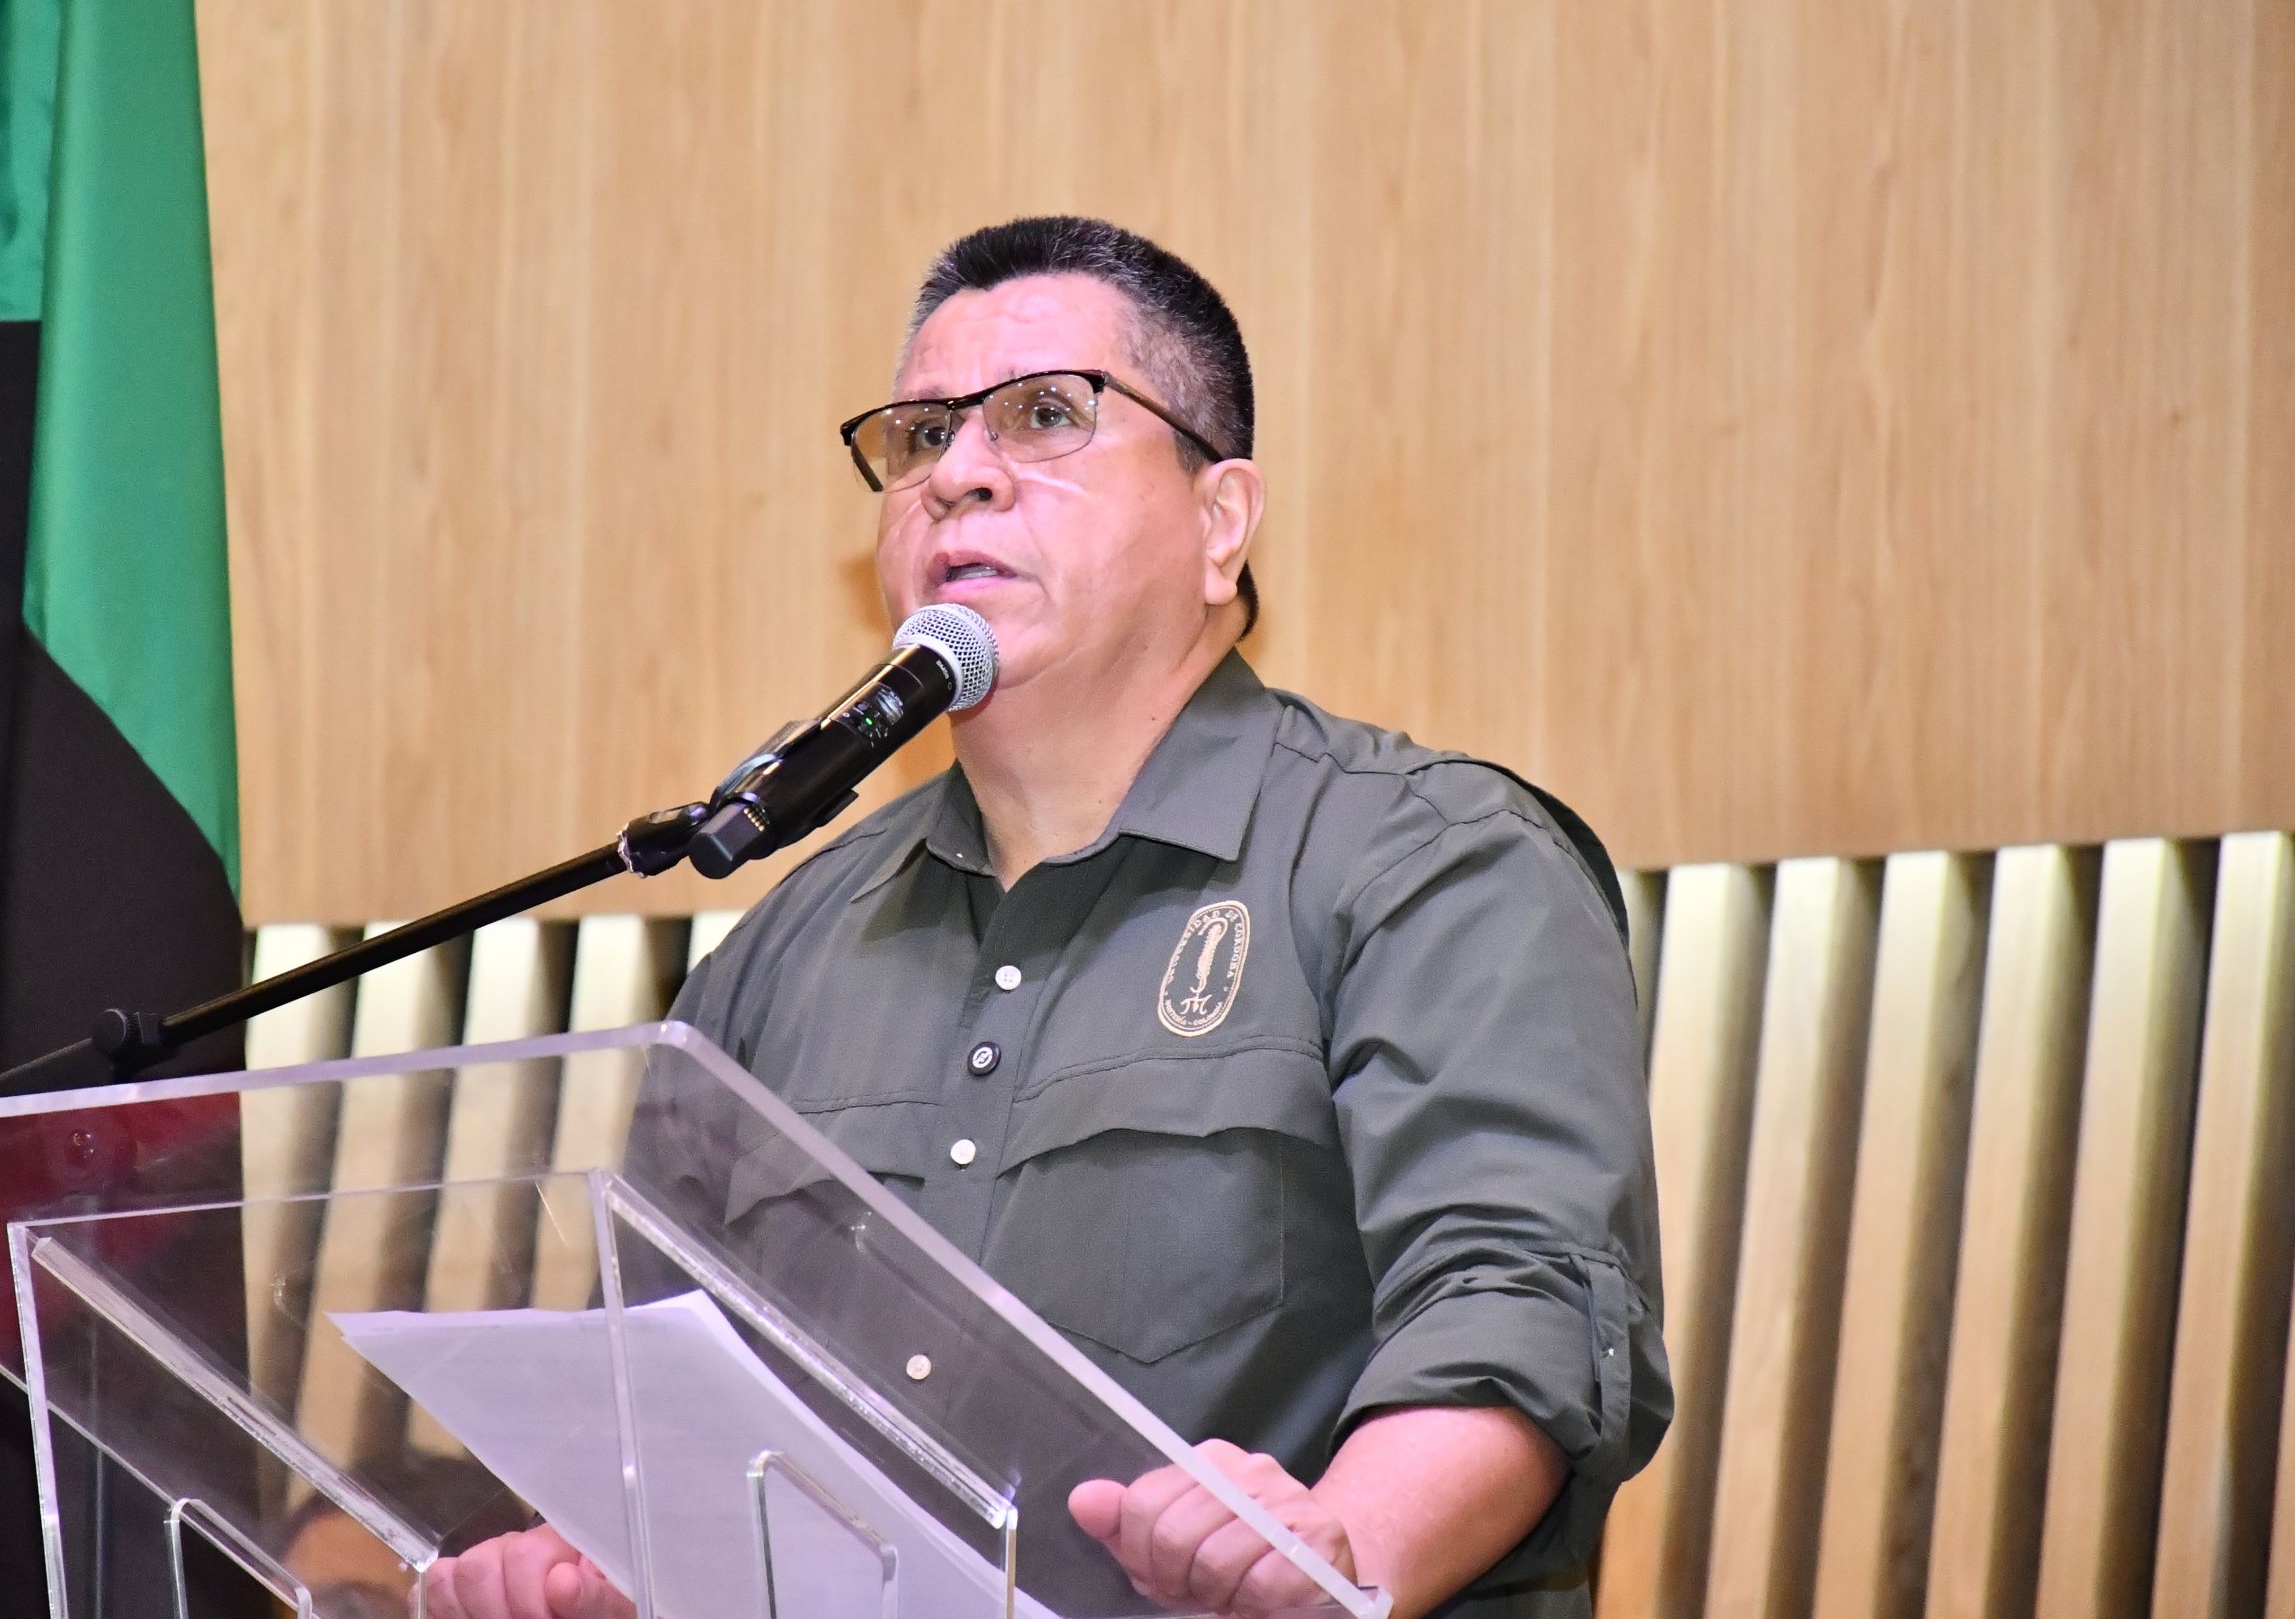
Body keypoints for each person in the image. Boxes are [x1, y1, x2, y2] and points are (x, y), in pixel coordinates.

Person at [423, 217, 1669, 1619]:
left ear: (1221, 522)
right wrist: (587, 1559)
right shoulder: (786, 944)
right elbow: (648, 1397)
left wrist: (1332, 1548)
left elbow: (1522, 1312)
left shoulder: (1430, 865)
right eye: (919, 437)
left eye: (1046, 416)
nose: (959, 475)